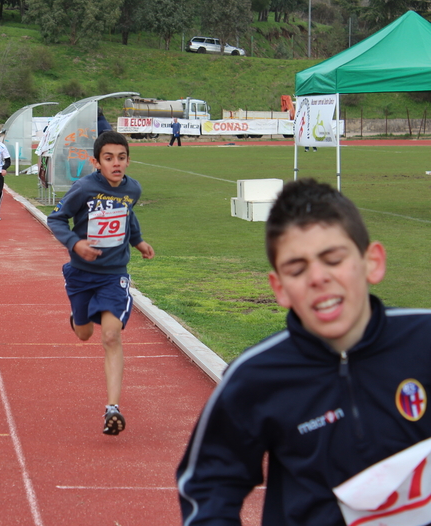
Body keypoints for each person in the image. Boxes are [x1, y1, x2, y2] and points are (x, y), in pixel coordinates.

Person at [177, 178, 431, 525]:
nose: (317, 278)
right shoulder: (256, 376)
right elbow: (207, 485)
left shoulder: (424, 340)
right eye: (297, 269)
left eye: (333, 259)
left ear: (373, 262)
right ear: (279, 288)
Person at [47, 131, 155, 436]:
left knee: (110, 336)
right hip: (81, 274)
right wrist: (75, 244)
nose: (116, 164)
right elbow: (56, 219)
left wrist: (138, 241)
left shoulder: (132, 189)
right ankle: (77, 317)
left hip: (113, 275)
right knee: (83, 335)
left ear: (128, 160)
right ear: (96, 162)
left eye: (121, 158)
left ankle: (112, 409)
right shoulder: (83, 188)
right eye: (109, 158)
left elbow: (128, 215)